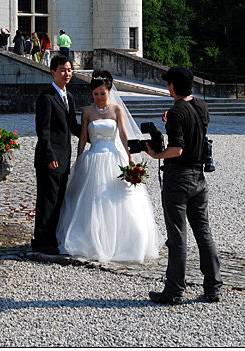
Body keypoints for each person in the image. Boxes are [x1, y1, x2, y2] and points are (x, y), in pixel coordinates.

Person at [57, 70, 159, 263]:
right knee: (91, 201)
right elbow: (83, 138)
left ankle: (126, 240)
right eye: (95, 94)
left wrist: (130, 157)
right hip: (93, 157)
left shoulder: (116, 110)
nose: (99, 97)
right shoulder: (87, 111)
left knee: (119, 200)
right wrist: (79, 159)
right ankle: (90, 240)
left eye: (102, 93)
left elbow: (123, 135)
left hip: (113, 156)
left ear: (109, 91)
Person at [147, 66, 222, 305]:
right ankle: (213, 287)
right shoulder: (201, 106)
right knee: (204, 233)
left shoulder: (176, 112)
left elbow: (177, 148)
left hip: (178, 177)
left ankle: (174, 291)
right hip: (199, 178)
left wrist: (154, 154)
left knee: (178, 236)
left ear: (171, 86)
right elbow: (194, 129)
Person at [32, 54, 82, 254]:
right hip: (49, 158)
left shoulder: (69, 97)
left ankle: (52, 237)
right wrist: (50, 156)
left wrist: (96, 133)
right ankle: (42, 240)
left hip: (64, 157)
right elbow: (42, 131)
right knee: (47, 200)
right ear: (52, 72)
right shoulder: (46, 97)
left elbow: (73, 126)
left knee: (59, 199)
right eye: (62, 70)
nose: (67, 73)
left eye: (69, 70)